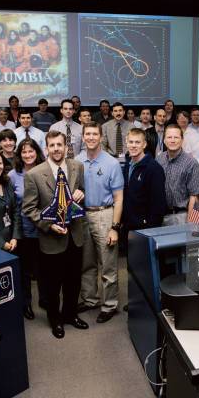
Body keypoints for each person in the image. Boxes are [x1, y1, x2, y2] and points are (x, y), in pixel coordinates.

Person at [23, 131, 87, 339]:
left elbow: (80, 192)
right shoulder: (34, 175)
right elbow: (29, 208)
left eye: (60, 144)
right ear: (46, 148)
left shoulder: (77, 166)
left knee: (73, 281)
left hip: (75, 235)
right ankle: (55, 319)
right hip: (51, 239)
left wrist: (81, 194)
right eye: (52, 145)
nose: (56, 149)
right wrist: (48, 226)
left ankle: (70, 315)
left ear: (66, 146)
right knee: (52, 284)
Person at [76, 122, 124, 323]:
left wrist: (115, 227)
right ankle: (90, 300)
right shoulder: (77, 161)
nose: (91, 137)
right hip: (82, 216)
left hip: (105, 214)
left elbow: (119, 198)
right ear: (83, 136)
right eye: (88, 134)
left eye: (95, 134)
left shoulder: (111, 163)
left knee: (108, 265)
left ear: (101, 136)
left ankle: (109, 304)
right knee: (86, 264)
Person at [8, 138, 46, 320]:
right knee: (25, 269)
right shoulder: (13, 176)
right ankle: (26, 303)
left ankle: (45, 299)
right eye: (24, 152)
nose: (28, 155)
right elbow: (11, 205)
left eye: (31, 151)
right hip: (23, 228)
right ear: (19, 155)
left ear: (37, 152)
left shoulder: (46, 170)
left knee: (43, 267)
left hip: (44, 227)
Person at [156, 124, 199, 225]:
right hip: (160, 215)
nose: (172, 140)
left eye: (176, 137)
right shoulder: (159, 160)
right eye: (169, 137)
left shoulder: (191, 163)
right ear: (164, 140)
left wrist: (191, 224)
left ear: (182, 140)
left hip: (182, 216)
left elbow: (194, 197)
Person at [122, 128, 167, 231]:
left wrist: (150, 228)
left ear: (144, 144)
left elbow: (158, 204)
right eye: (131, 142)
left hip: (146, 227)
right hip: (128, 225)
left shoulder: (154, 168)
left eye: (137, 142)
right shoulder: (127, 165)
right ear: (127, 143)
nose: (133, 145)